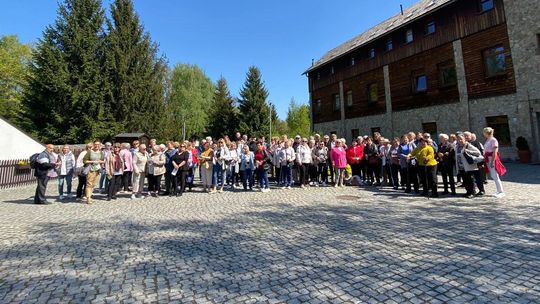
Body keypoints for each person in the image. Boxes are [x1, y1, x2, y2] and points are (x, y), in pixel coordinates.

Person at [455, 133, 483, 199]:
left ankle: (472, 192)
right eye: (458, 139)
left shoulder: (468, 145)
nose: (460, 141)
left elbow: (478, 152)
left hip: (468, 166)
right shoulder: (457, 146)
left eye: (461, 139)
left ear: (464, 139)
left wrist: (468, 151)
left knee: (470, 180)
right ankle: (468, 192)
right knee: (465, 180)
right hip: (461, 166)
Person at [483, 127, 506, 198]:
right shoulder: (488, 140)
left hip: (492, 158)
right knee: (493, 175)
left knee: (495, 175)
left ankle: (501, 191)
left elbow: (495, 152)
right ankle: (498, 190)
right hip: (488, 158)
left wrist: (492, 161)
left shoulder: (493, 140)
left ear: (487, 133)